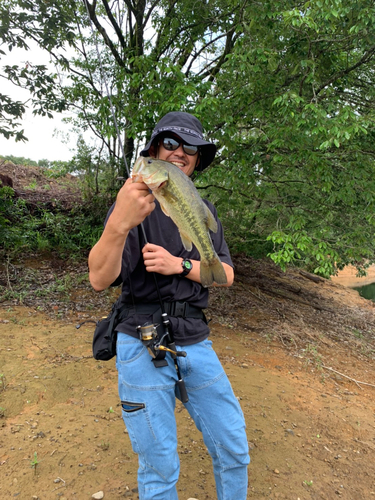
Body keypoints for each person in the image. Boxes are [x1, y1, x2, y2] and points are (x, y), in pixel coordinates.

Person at [88, 111, 250, 500]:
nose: (180, 152)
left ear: (196, 160)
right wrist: (119, 224)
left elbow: (224, 274)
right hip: (140, 340)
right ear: (156, 150)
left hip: (195, 338)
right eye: (171, 144)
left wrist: (180, 265)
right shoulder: (133, 204)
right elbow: (98, 278)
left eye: (190, 148)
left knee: (235, 449)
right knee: (159, 467)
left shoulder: (203, 209)